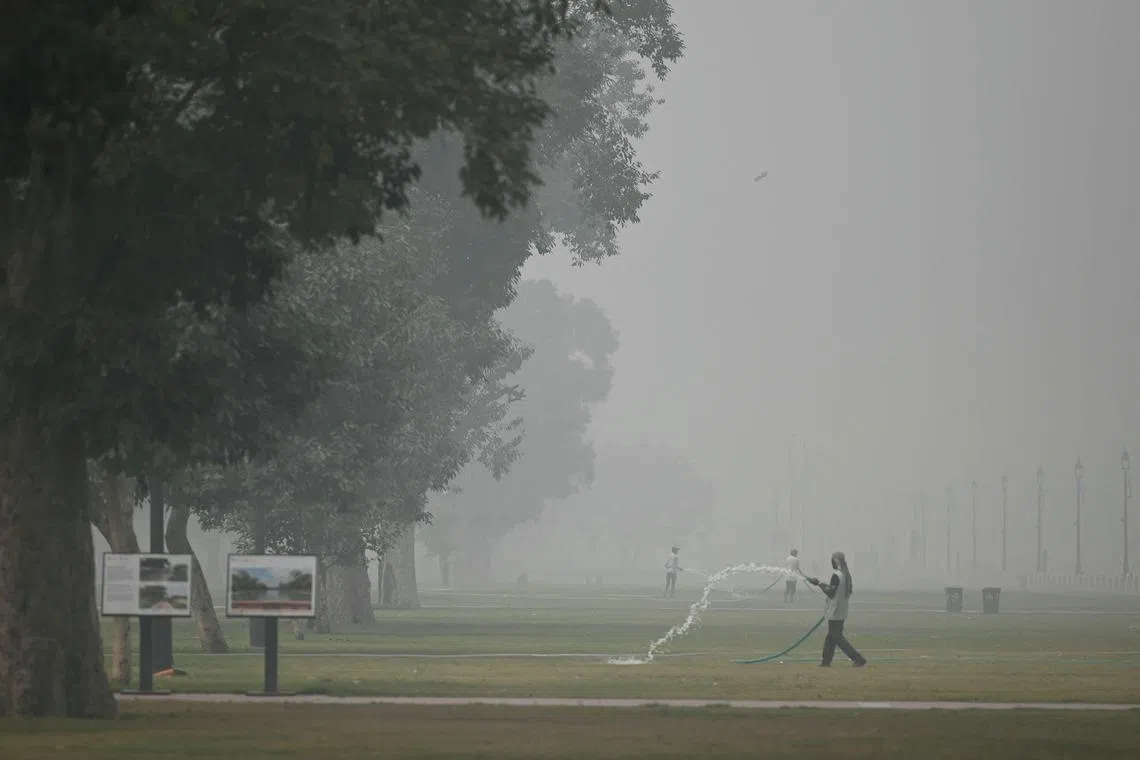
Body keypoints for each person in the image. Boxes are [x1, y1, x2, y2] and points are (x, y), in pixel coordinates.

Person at [806, 551, 867, 667]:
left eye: (832, 559)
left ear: (836, 561)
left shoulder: (837, 575)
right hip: (841, 610)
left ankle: (858, 659)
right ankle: (826, 661)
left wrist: (819, 583)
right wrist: (820, 583)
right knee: (831, 637)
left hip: (835, 610)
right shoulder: (845, 575)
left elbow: (831, 592)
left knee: (837, 637)